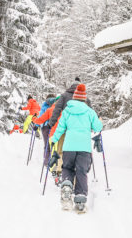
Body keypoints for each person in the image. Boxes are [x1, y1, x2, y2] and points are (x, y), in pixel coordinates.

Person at [48, 83, 102, 212]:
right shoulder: (90, 111)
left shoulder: (67, 111)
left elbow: (60, 128)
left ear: (74, 97)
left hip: (69, 146)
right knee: (81, 171)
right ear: (84, 98)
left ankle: (66, 185)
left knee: (67, 167)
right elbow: (97, 128)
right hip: (84, 147)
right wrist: (99, 121)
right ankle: (80, 198)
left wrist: (53, 140)